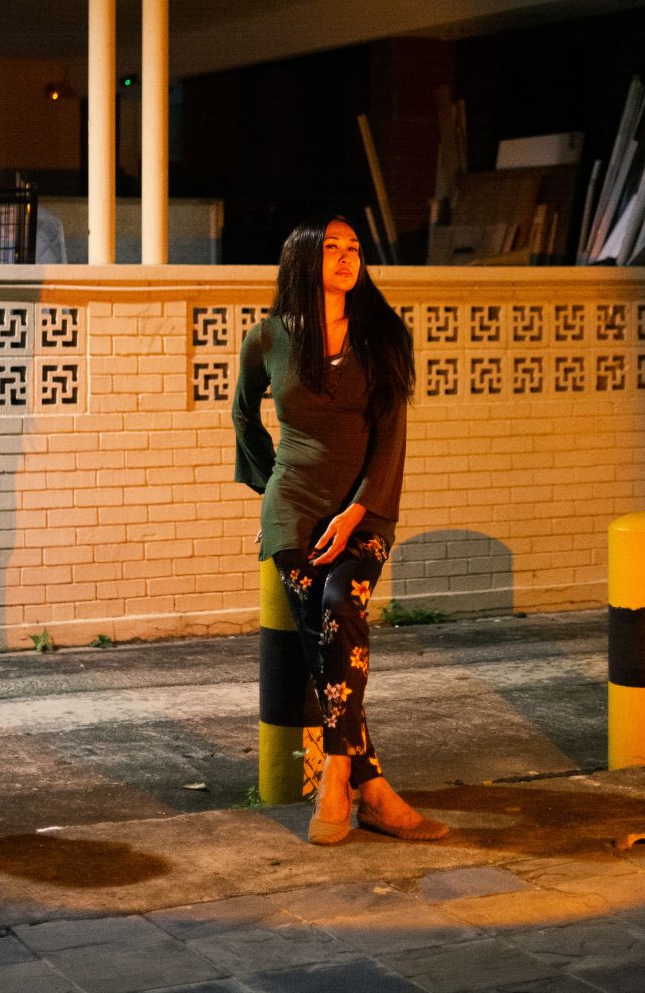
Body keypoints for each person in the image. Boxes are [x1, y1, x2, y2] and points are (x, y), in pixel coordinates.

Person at [232, 214, 450, 846]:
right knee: (324, 642)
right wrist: (274, 489)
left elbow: (392, 436)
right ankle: (375, 793)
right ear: (303, 258)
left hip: (365, 507)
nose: (348, 257)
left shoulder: (382, 334)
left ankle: (338, 773)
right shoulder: (269, 338)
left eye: (354, 248)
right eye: (333, 247)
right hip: (294, 509)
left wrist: (357, 509)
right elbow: (244, 415)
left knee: (338, 611)